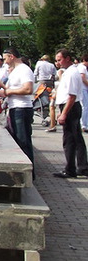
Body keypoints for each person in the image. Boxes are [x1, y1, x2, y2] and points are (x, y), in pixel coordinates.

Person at [52, 49, 88, 178]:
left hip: (71, 107)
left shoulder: (72, 73)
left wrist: (64, 113)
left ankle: (70, 169)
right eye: (56, 60)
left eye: (59, 59)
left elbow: (72, 96)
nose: (58, 62)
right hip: (69, 106)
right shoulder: (69, 72)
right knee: (76, 138)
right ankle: (83, 167)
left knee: (69, 139)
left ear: (67, 58)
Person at [0, 48, 35, 169]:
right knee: (18, 140)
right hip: (15, 108)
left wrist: (8, 91)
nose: (4, 62)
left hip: (22, 109)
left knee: (23, 141)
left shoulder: (24, 70)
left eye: (5, 59)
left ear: (11, 56)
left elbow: (28, 89)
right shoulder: (15, 71)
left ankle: (29, 171)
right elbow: (9, 91)